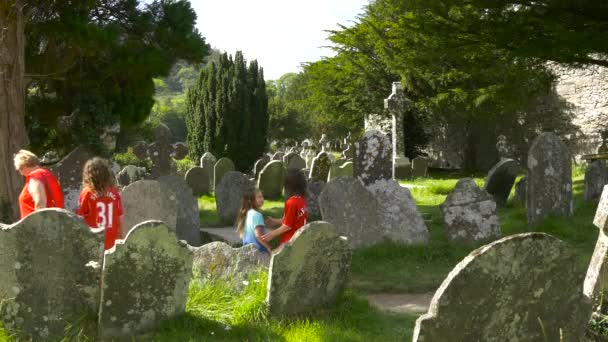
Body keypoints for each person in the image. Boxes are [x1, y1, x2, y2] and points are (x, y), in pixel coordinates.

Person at [76, 157, 123, 251]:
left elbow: (79, 219)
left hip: (93, 242)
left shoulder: (87, 193)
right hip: (112, 242)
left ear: (88, 175)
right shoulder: (114, 192)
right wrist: (120, 239)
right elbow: (120, 219)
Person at [14, 149, 64, 219]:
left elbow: (40, 203)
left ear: (23, 165)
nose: (21, 173)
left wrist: (39, 226)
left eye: (19, 169)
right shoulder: (47, 174)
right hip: (54, 220)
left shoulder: (35, 175)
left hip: (39, 225)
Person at [262, 169, 308, 245]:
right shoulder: (302, 201)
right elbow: (289, 220)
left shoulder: (291, 202)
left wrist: (271, 234)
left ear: (288, 187)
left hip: (289, 242)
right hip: (299, 240)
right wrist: (273, 220)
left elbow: (287, 226)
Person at [236, 189, 272, 254]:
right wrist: (268, 247)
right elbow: (258, 235)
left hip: (247, 250)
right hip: (259, 251)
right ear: (251, 200)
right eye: (259, 197)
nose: (262, 199)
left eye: (262, 196)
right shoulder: (257, 215)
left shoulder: (247, 213)